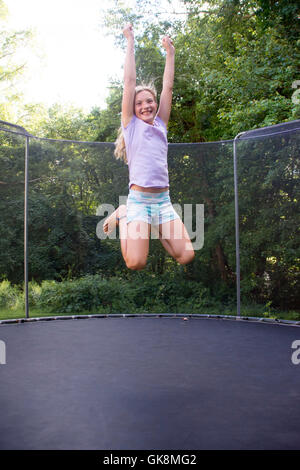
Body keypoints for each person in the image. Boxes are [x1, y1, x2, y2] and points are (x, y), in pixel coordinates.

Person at [103, 24, 195, 270]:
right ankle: (123, 213)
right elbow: (129, 82)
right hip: (139, 201)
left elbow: (168, 87)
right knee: (136, 263)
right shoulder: (130, 125)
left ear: (155, 104)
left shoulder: (161, 124)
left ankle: (154, 224)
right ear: (132, 109)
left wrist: (171, 54)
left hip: (163, 201)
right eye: (140, 103)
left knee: (186, 256)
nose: (145, 106)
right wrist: (130, 41)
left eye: (150, 101)